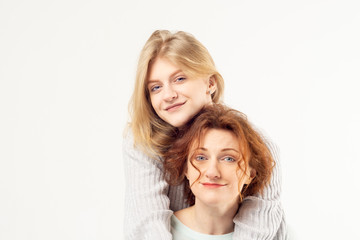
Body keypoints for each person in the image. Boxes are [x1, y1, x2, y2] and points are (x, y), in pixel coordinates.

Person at [123, 30, 286, 239]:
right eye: (155, 87)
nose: (168, 95)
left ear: (210, 83)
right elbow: (146, 223)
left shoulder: (257, 142)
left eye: (180, 79)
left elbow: (261, 219)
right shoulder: (143, 141)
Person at [162, 104, 275, 239]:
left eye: (229, 159)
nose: (212, 172)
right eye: (201, 157)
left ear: (250, 174)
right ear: (186, 169)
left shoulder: (275, 235)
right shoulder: (158, 232)